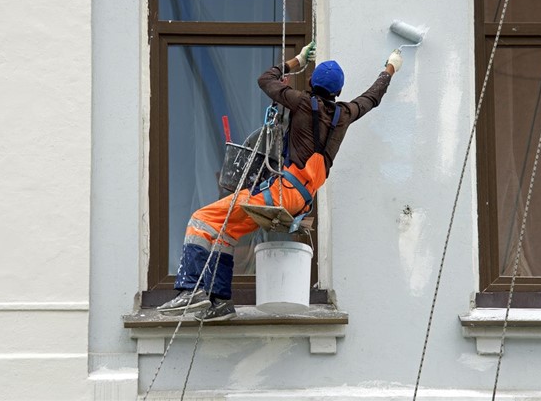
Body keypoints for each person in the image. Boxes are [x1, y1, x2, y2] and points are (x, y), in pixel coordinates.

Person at [158, 43, 403, 321]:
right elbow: (372, 98)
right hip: (301, 200)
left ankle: (191, 289)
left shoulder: (299, 102)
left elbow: (264, 79)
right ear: (338, 91)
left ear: (311, 82)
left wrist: (295, 62)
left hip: (281, 192)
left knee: (202, 219)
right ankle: (221, 302)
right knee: (225, 231)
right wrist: (390, 69)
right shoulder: (344, 114)